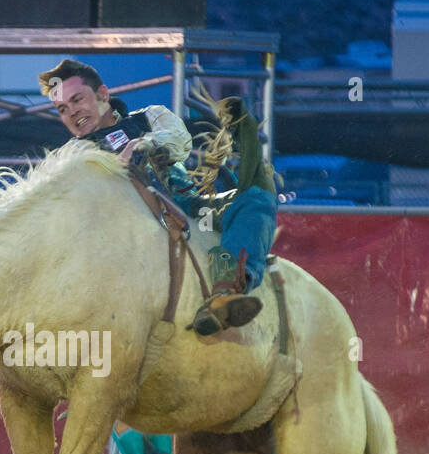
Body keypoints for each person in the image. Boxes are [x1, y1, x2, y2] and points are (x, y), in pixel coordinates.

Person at [38, 57, 276, 336]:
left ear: (103, 94)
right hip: (112, 230)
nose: (72, 113)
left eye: (77, 100)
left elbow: (179, 139)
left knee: (256, 197)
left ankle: (224, 294)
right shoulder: (67, 157)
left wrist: (144, 144)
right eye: (62, 109)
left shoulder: (150, 117)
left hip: (186, 207)